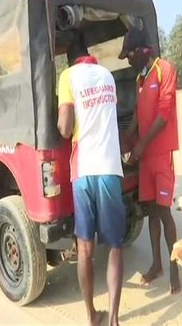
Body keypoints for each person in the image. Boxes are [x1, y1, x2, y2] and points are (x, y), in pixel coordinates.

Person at [57, 32, 125, 326]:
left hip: (83, 170)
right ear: (89, 53)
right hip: (110, 167)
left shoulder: (68, 76)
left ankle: (91, 316)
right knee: (115, 245)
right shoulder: (107, 75)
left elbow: (63, 127)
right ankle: (115, 319)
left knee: (85, 247)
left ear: (70, 58)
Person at [118, 27, 181, 294]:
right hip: (145, 158)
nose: (128, 60)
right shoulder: (140, 79)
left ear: (143, 50)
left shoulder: (165, 70)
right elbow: (137, 114)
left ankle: (175, 271)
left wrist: (141, 145)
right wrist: (126, 136)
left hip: (160, 154)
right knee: (150, 210)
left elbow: (164, 114)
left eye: (129, 55)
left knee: (165, 212)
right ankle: (157, 264)